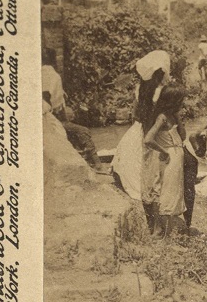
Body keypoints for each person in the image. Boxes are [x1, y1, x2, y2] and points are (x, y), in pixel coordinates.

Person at [112, 50, 170, 203]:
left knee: (129, 155)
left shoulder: (140, 88)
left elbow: (135, 113)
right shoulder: (159, 91)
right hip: (152, 128)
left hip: (139, 127)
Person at [142, 85, 189, 236]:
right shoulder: (162, 117)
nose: (182, 104)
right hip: (169, 159)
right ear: (173, 102)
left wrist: (179, 119)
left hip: (176, 158)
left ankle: (164, 229)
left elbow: (182, 137)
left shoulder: (173, 117)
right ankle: (160, 230)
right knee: (165, 192)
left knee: (172, 191)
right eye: (180, 101)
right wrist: (164, 151)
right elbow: (148, 139)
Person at [41, 48, 99, 168]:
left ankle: (88, 159)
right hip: (51, 120)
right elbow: (51, 101)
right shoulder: (53, 76)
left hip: (46, 118)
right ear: (53, 61)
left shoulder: (37, 74)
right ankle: (97, 164)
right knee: (83, 131)